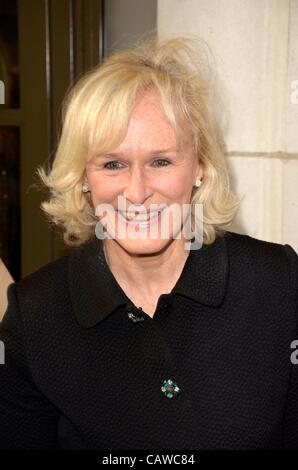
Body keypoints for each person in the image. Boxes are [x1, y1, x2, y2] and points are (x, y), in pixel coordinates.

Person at [0, 36, 298, 450]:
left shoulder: (278, 283)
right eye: (113, 164)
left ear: (200, 168)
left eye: (160, 161)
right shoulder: (33, 317)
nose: (136, 192)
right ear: (84, 177)